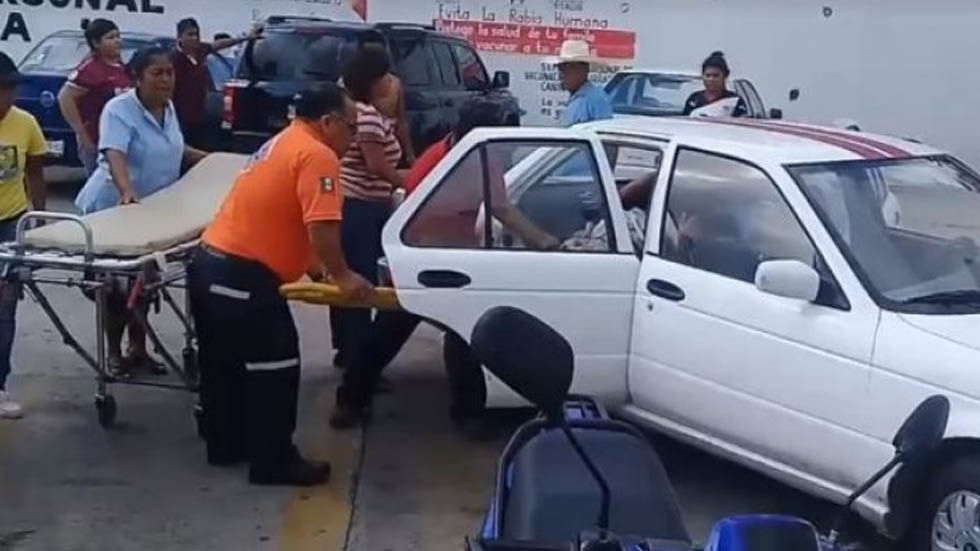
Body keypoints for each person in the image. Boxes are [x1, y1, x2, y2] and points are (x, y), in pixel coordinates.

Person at [330, 98, 557, 435]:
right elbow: (414, 214)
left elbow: (501, 208)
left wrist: (542, 241)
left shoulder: (484, 156)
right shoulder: (436, 162)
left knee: (461, 334)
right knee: (391, 332)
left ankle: (466, 412)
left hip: (458, 256)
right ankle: (350, 400)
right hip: (422, 255)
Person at [189, 82, 371, 485]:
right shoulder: (317, 154)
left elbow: (288, 220)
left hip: (209, 266)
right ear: (328, 122)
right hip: (243, 275)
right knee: (276, 366)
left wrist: (317, 271)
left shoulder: (285, 142)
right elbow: (321, 227)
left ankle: (226, 446)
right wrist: (342, 275)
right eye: (352, 129)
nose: (354, 138)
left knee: (224, 367)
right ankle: (273, 461)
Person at [74, 46, 208, 378]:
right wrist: (126, 192)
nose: (166, 79)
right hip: (114, 209)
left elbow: (174, 149)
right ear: (137, 77)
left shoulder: (169, 108)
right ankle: (114, 354)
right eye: (157, 73)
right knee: (115, 290)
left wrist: (210, 159)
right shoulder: (119, 110)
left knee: (145, 285)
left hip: (153, 213)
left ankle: (139, 349)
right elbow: (115, 153)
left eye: (169, 72)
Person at [331, 47, 404, 370]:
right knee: (360, 286)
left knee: (352, 284)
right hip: (361, 206)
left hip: (360, 205)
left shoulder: (364, 112)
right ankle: (358, 361)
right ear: (374, 82)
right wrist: (412, 180)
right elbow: (378, 167)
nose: (392, 83)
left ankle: (347, 352)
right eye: (387, 77)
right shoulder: (369, 117)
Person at [0, 52, 47, 420]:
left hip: (10, 223)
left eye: (11, 89)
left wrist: (39, 221)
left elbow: (34, 173)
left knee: (4, 309)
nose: (7, 98)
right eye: (2, 90)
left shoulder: (25, 123)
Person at [58, 18, 131, 176]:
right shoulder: (90, 70)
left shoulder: (122, 68)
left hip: (121, 142)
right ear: (96, 43)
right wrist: (82, 134)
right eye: (111, 38)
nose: (117, 41)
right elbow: (65, 98)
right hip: (97, 142)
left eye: (118, 36)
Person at [172, 18, 259, 148]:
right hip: (180, 118)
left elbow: (218, 45)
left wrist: (244, 39)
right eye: (190, 34)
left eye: (197, 34)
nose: (195, 38)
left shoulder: (200, 51)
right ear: (180, 37)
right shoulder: (174, 59)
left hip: (200, 117)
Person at [550, 39, 613, 127]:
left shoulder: (596, 99)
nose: (561, 76)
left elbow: (604, 133)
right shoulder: (575, 99)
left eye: (566, 70)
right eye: (560, 69)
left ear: (583, 70)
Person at [682, 51, 748, 117]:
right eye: (708, 75)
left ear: (725, 76)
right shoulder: (694, 99)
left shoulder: (735, 101)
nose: (711, 79)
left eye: (715, 75)